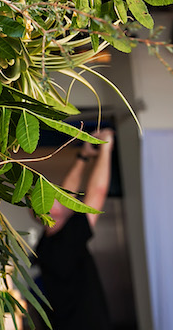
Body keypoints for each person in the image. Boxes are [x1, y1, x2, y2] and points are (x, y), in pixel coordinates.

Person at [34, 129, 114, 330]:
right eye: (54, 197)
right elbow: (97, 193)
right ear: (50, 213)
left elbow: (67, 196)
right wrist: (106, 147)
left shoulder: (47, 242)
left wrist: (84, 156)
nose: (61, 195)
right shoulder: (66, 242)